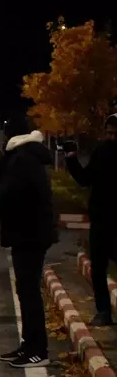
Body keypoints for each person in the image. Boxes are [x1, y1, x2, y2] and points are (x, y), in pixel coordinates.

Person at [0, 116, 57, 367]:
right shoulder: (25, 157)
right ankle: (29, 345)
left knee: (28, 292)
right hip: (31, 232)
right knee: (26, 291)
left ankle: (37, 350)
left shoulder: (22, 159)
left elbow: (11, 193)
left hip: (29, 233)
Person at [65, 112, 117, 326]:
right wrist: (72, 161)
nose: (112, 137)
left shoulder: (103, 151)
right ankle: (103, 311)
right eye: (109, 133)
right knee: (98, 268)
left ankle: (104, 311)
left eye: (115, 133)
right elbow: (85, 179)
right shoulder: (101, 152)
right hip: (101, 220)